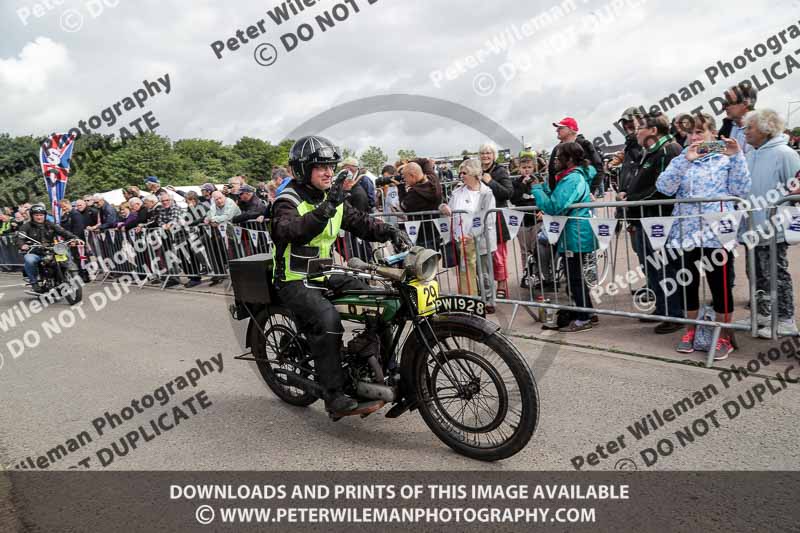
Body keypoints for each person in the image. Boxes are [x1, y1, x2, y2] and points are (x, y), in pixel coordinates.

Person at [271, 135, 410, 414]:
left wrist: (390, 230)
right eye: (320, 166)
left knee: (379, 301)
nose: (328, 172)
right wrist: (325, 209)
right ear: (301, 170)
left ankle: (382, 367)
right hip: (294, 278)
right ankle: (333, 394)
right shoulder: (287, 199)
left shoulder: (331, 199)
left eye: (330, 166)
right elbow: (286, 231)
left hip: (325, 273)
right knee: (327, 319)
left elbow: (361, 222)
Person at [656, 112, 750, 359]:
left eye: (700, 131)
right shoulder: (681, 158)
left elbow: (742, 189)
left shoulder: (726, 159)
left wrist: (737, 156)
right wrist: (685, 161)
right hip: (686, 233)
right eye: (691, 132)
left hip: (717, 233)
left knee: (720, 286)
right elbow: (664, 187)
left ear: (713, 134)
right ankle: (690, 331)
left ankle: (725, 335)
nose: (695, 137)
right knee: (688, 284)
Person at [739, 109, 800, 337]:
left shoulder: (785, 153)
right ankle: (763, 314)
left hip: (775, 228)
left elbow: (796, 188)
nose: (745, 132)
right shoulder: (750, 154)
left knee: (777, 273)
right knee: (756, 273)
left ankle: (786, 319)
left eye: (749, 127)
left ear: (765, 128)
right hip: (752, 228)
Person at [621, 111, 684, 332]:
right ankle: (662, 307)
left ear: (653, 131)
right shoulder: (651, 151)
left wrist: (632, 199)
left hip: (660, 220)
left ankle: (675, 313)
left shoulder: (670, 150)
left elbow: (664, 190)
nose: (636, 132)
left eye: (640, 128)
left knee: (666, 267)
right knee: (651, 267)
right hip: (643, 219)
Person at [532, 143, 598, 332]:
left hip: (575, 233)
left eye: (558, 157)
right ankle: (587, 313)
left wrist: (537, 190)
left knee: (574, 277)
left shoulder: (573, 178)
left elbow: (554, 206)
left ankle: (584, 317)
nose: (555, 160)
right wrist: (544, 187)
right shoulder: (569, 177)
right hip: (572, 232)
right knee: (573, 276)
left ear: (569, 159)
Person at [440, 158, 497, 303]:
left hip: (482, 240)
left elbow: (488, 219)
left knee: (484, 274)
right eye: (460, 173)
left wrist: (472, 235)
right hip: (462, 240)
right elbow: (449, 209)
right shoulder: (457, 191)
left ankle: (489, 301)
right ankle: (471, 301)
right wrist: (443, 208)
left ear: (474, 173)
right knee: (466, 273)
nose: (461, 176)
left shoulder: (487, 193)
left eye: (464, 172)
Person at [16, 204, 81, 293]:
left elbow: (63, 232)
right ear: (32, 216)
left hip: (51, 250)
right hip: (35, 252)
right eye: (36, 215)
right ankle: (34, 282)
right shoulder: (26, 226)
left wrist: (74, 238)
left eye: (41, 215)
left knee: (65, 254)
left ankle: (67, 274)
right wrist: (22, 245)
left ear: (45, 215)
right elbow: (20, 238)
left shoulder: (50, 224)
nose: (39, 217)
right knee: (29, 259)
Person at [511, 152, 551, 289]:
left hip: (537, 220)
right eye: (523, 167)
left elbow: (545, 197)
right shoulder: (516, 182)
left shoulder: (539, 181)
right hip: (522, 221)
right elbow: (514, 199)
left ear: (533, 168)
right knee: (524, 250)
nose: (526, 170)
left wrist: (543, 210)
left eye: (529, 167)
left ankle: (540, 274)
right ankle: (527, 273)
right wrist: (522, 186)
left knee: (537, 249)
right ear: (519, 169)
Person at [478, 143, 513, 300]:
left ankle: (501, 285)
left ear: (494, 155)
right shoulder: (476, 170)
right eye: (483, 153)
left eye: (488, 153)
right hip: (480, 218)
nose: (485, 156)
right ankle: (486, 287)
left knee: (498, 255)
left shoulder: (500, 171)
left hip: (497, 219)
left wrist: (491, 181)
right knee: (484, 255)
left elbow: (508, 193)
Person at [547, 117, 604, 193]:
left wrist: (590, 191)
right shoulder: (557, 148)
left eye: (560, 128)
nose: (557, 130)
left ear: (571, 129)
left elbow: (599, 168)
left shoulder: (585, 145)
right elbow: (551, 172)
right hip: (562, 194)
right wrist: (554, 192)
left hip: (583, 197)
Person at [397, 162, 442, 251]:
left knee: (423, 261)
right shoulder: (434, 180)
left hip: (421, 234)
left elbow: (403, 206)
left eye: (405, 177)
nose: (404, 180)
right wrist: (409, 162)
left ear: (413, 176)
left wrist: (400, 187)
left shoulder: (415, 193)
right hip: (435, 231)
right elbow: (425, 161)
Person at [718, 83, 757, 156]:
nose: (724, 107)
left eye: (729, 103)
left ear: (745, 104)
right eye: (724, 103)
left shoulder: (760, 130)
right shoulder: (727, 126)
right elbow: (719, 147)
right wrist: (700, 148)